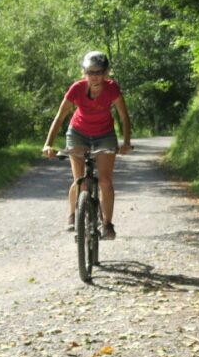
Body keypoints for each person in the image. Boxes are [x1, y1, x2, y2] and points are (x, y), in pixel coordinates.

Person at [41, 51, 132, 238]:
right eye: (90, 72)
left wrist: (126, 142)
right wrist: (48, 144)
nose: (95, 77)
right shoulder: (76, 89)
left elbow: (124, 117)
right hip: (78, 133)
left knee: (105, 181)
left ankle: (107, 224)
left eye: (99, 72)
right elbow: (60, 118)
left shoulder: (112, 88)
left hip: (104, 134)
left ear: (106, 73)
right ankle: (73, 214)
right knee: (79, 180)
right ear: (84, 72)